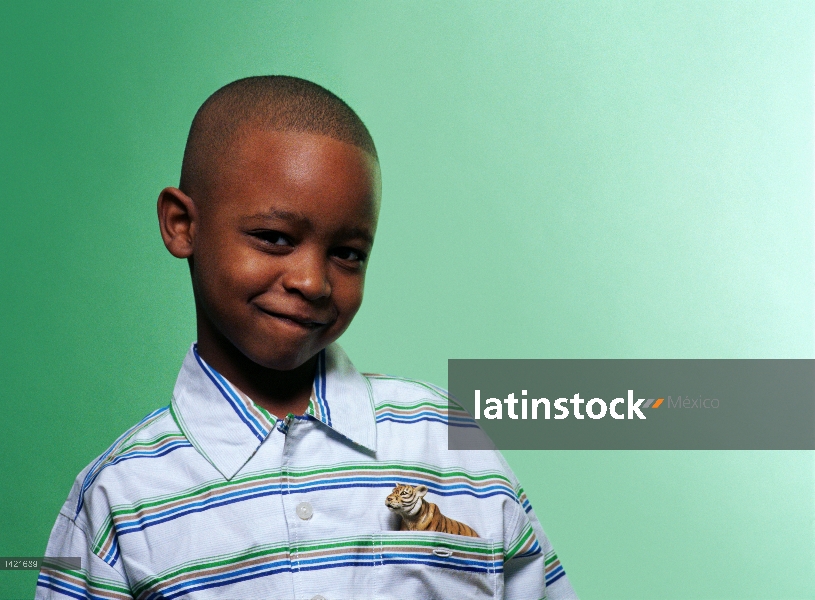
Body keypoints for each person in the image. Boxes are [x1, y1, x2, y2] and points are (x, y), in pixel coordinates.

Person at [36, 76, 578, 599]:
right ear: (182, 224)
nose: (312, 282)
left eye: (348, 253)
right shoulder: (117, 500)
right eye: (274, 238)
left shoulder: (448, 442)